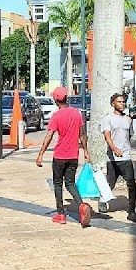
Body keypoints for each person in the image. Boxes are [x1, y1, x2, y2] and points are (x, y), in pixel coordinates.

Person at [34, 86, 91, 227]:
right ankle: (81, 205)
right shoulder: (77, 113)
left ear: (55, 99)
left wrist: (41, 154)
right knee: (70, 183)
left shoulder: (56, 116)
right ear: (67, 98)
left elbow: (49, 136)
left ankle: (60, 214)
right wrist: (86, 152)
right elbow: (82, 134)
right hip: (73, 155)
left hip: (60, 155)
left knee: (58, 183)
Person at [102, 92, 136, 223]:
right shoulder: (108, 118)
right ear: (113, 103)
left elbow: (128, 136)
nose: (122, 104)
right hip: (113, 158)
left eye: (124, 102)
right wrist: (114, 148)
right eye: (119, 102)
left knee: (131, 183)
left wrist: (124, 150)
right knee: (110, 184)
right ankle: (102, 202)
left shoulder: (128, 119)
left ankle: (131, 211)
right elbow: (107, 136)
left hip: (125, 157)